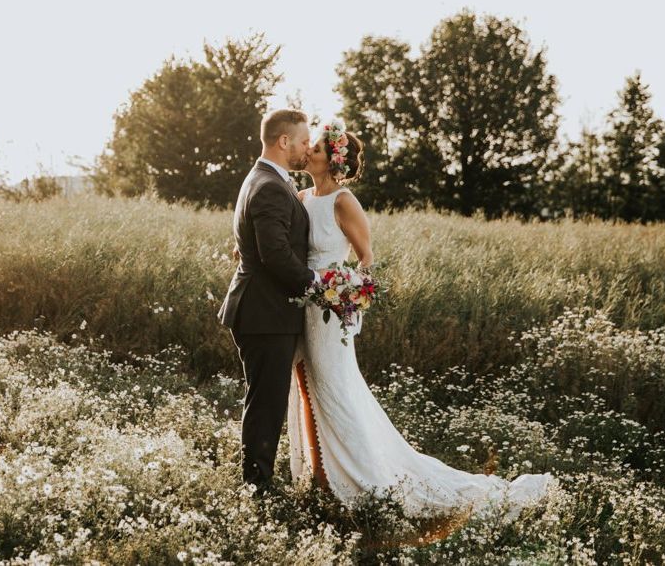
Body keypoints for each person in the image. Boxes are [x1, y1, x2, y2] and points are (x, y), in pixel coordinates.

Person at [286, 120, 555, 523]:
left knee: (334, 389)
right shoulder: (301, 196)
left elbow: (367, 260)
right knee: (306, 386)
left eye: (317, 149)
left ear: (333, 160)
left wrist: (350, 291)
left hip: (330, 312)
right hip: (301, 307)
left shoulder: (344, 201)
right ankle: (319, 478)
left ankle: (364, 481)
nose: (308, 152)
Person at [217, 108, 318, 494]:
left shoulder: (265, 179)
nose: (308, 148)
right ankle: (256, 486)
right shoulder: (270, 185)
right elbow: (275, 254)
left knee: (266, 399)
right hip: (264, 312)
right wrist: (319, 286)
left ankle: (256, 480)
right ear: (284, 141)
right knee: (266, 402)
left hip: (264, 310)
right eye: (304, 141)